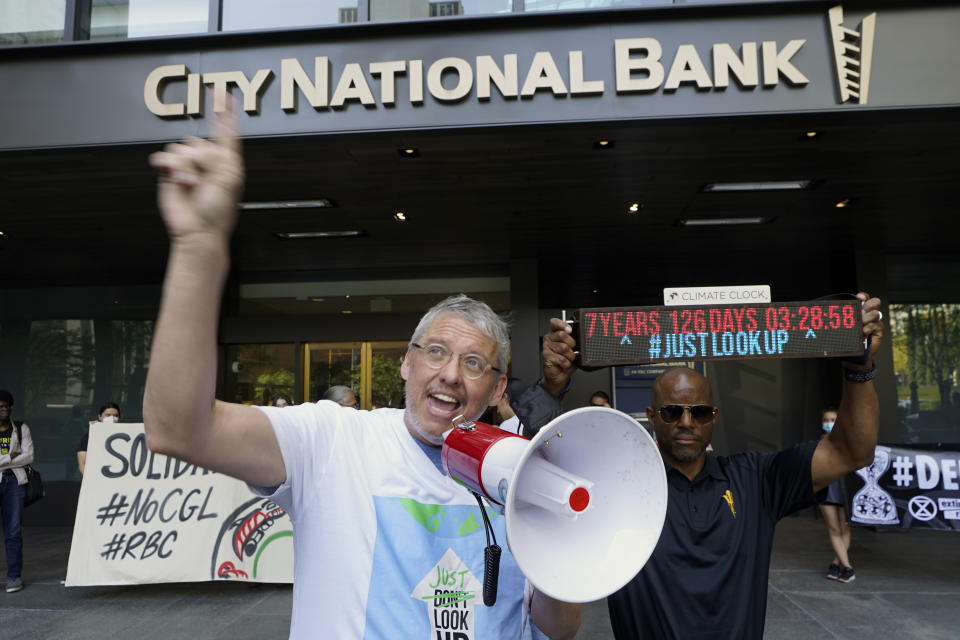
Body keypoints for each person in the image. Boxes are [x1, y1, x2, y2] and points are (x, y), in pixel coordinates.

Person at [142, 107, 580, 639]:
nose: (449, 375)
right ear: (406, 362)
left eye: (473, 364)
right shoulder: (332, 441)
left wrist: (560, 543)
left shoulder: (523, 468)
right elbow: (177, 428)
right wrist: (198, 247)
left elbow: (558, 628)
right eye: (435, 352)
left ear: (496, 388)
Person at [539, 295, 883, 639]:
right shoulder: (613, 488)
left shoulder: (756, 480)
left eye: (699, 412)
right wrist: (552, 389)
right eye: (672, 412)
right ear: (651, 416)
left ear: (714, 416)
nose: (686, 422)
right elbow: (538, 474)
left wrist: (858, 369)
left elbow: (852, 451)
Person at [0, 389, 34, 593]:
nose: (3, 409)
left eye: (6, 406)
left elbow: (29, 457)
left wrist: (7, 461)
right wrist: (9, 458)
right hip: (9, 472)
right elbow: (18, 456)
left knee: (13, 531)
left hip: (14, 483)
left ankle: (13, 577)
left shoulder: (21, 428)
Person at [818, 406, 855, 583]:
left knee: (844, 527)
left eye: (833, 420)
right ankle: (847, 567)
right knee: (834, 529)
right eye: (826, 420)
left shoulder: (848, 442)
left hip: (844, 488)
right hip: (825, 489)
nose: (829, 424)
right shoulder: (818, 444)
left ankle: (836, 563)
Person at [77, 402, 120, 475]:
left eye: (116, 415)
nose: (112, 418)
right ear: (100, 417)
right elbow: (82, 464)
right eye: (108, 415)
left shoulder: (124, 436)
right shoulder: (89, 436)